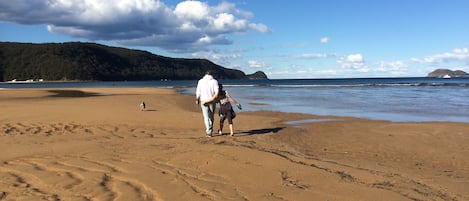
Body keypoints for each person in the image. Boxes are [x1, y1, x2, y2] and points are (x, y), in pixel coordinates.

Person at [195, 71, 219, 137]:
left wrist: (197, 99)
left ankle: (208, 131)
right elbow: (216, 92)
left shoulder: (200, 81)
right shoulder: (214, 81)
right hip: (212, 100)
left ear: (205, 74)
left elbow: (198, 91)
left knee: (206, 117)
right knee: (211, 116)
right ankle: (210, 129)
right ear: (211, 75)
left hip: (203, 100)